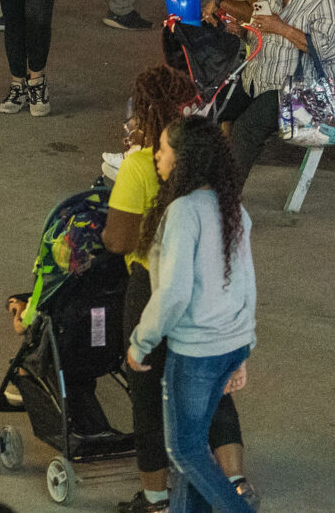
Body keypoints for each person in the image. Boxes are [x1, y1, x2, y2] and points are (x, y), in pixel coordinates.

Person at [106, 67, 249, 511]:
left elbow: (169, 289)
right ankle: (234, 483)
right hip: (220, 325)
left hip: (165, 311)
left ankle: (158, 499)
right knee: (212, 407)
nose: (158, 157)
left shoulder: (171, 204)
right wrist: (242, 349)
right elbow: (245, 282)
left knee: (157, 413)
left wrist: (140, 342)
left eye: (165, 152)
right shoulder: (230, 207)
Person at [219, 0, 335, 182]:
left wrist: (281, 27)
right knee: (211, 107)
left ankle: (226, 201)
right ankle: (201, 181)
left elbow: (327, 50)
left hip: (301, 90)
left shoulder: (330, 1)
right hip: (259, 79)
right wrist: (243, 31)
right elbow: (262, 29)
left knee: (247, 128)